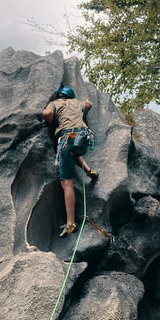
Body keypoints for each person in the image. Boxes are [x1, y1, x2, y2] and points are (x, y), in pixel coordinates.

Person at [42, 87, 98, 237]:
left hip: (68, 139)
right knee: (72, 154)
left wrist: (51, 121)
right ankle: (89, 171)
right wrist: (82, 108)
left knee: (66, 183)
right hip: (83, 139)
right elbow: (89, 104)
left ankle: (70, 224)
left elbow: (47, 114)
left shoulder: (55, 103)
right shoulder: (77, 103)